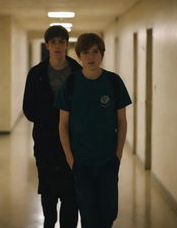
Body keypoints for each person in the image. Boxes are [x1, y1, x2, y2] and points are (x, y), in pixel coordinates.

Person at [54, 33, 132, 228]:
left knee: (108, 213)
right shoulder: (71, 84)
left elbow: (122, 121)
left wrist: (118, 155)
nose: (91, 57)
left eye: (95, 52)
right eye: (86, 53)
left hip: (108, 160)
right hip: (81, 162)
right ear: (79, 56)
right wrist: (71, 159)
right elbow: (63, 124)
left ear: (102, 54)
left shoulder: (113, 82)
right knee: (88, 213)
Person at [23, 25, 81, 228]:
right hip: (45, 142)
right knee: (48, 190)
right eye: (53, 42)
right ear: (47, 45)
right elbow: (29, 109)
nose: (57, 46)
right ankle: (49, 221)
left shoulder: (77, 72)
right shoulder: (36, 73)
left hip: (74, 143)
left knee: (71, 191)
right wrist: (52, 119)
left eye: (61, 41)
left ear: (67, 44)